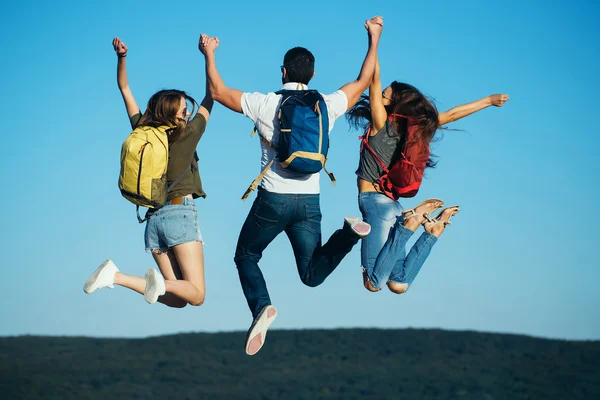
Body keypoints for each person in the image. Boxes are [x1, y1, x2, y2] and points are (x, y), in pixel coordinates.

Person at [199, 16, 384, 355]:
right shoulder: (326, 104)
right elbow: (363, 79)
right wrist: (374, 39)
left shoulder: (265, 103)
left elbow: (217, 92)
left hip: (272, 201)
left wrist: (209, 53)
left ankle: (261, 308)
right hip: (308, 203)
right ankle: (349, 233)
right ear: (311, 74)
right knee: (311, 275)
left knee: (246, 256)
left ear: (283, 72)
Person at [348, 59, 509, 294]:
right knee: (398, 283)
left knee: (373, 282)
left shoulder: (380, 122)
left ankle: (409, 224)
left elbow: (373, 80)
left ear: (396, 101)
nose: (382, 93)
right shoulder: (415, 129)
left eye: (386, 93)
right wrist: (488, 101)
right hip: (394, 205)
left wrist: (374, 39)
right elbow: (452, 115)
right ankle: (431, 232)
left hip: (374, 202)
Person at [83, 37, 213, 308]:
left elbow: (124, 87)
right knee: (197, 295)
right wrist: (208, 55)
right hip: (180, 214)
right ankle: (133, 278)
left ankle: (115, 276)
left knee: (178, 300)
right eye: (184, 111)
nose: (187, 115)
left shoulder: (142, 129)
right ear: (175, 115)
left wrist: (122, 58)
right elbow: (213, 94)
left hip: (153, 221)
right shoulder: (187, 134)